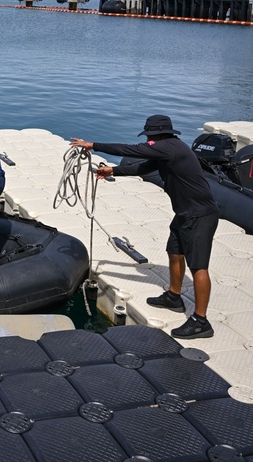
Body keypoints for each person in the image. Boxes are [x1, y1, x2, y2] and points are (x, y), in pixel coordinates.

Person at [70, 114, 220, 340]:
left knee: (198, 266)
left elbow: (131, 150)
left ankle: (201, 321)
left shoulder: (168, 148)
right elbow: (143, 167)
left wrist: (93, 145)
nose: (149, 141)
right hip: (185, 214)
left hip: (199, 216)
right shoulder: (168, 150)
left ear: (156, 135)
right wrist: (113, 171)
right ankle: (174, 296)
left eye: (150, 137)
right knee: (174, 251)